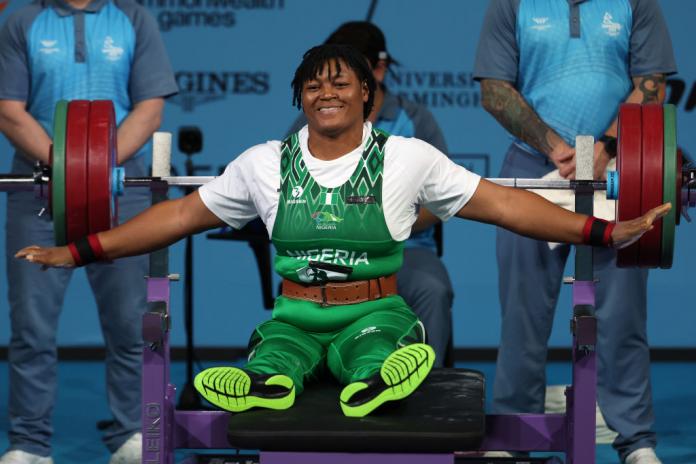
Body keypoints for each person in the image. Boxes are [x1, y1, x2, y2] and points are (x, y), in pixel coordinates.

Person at [15, 44, 667, 422]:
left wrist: (604, 233)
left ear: (367, 99)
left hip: (373, 310)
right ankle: (266, 382)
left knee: (376, 347)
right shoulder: (263, 164)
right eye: (313, 85)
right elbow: (175, 217)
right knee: (277, 351)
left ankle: (382, 376)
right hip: (296, 311)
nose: (326, 93)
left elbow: (504, 206)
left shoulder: (407, 158)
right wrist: (77, 248)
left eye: (341, 83)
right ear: (299, 97)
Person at [473, 1, 676, 463]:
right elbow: (494, 90)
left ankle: (636, 443)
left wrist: (601, 147)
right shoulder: (512, 4)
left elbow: (652, 83)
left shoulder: (635, 3)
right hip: (534, 167)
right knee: (522, 315)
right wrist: (557, 148)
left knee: (623, 317)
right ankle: (512, 435)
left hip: (620, 168)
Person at [0, 0, 178, 462]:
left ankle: (133, 436)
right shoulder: (21, 20)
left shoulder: (135, 18)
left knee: (131, 322)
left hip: (122, 189)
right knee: (31, 329)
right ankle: (30, 445)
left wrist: (95, 166)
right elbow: (8, 110)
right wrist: (68, 167)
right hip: (37, 187)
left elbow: (150, 109)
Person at [287, 21, 455, 366]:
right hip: (328, 251)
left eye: (345, 76)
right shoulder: (309, 123)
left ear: (378, 70)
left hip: (406, 250)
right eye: (324, 78)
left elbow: (441, 202)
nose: (330, 92)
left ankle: (431, 398)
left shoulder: (415, 121)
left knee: (432, 290)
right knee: (297, 290)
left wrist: (384, 229)